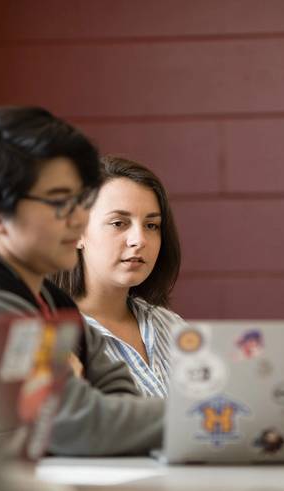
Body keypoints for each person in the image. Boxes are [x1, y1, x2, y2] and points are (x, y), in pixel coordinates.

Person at [0, 106, 163, 456]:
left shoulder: (51, 300)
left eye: (80, 201)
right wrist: (203, 413)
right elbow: (78, 425)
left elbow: (120, 401)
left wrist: (107, 417)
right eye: (59, 202)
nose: (79, 219)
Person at [51, 156, 184, 398]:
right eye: (119, 223)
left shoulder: (171, 325)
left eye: (151, 225)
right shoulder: (51, 337)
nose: (139, 240)